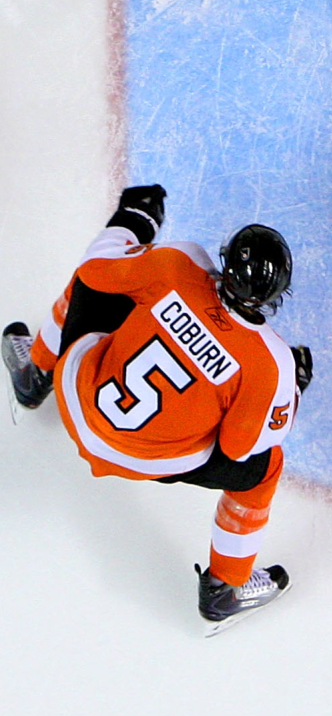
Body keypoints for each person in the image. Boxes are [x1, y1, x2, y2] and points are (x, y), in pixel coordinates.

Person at [1, 185, 313, 633]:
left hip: (81, 395)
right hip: (148, 460)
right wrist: (291, 390)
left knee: (94, 279)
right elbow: (239, 446)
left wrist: (136, 216)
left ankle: (36, 374)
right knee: (263, 469)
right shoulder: (271, 363)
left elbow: (97, 268)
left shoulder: (179, 265)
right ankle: (224, 587)